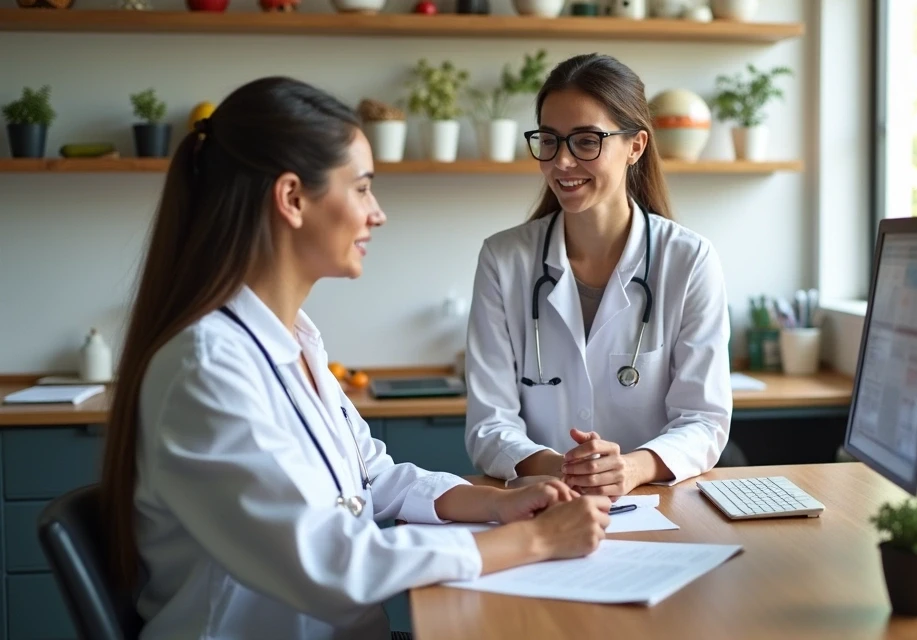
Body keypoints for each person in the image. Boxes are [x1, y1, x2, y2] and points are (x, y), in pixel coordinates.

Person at [98, 76, 612, 640]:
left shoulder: (295, 341)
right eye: (362, 188)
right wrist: (534, 541)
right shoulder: (207, 368)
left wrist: (493, 503)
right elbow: (330, 564)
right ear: (292, 198)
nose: (377, 213)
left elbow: (373, 478)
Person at [463, 53, 733, 498]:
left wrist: (631, 468)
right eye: (549, 140)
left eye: (587, 141)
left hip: (653, 507)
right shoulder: (503, 259)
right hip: (545, 505)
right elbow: (489, 424)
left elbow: (704, 420)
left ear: (636, 146)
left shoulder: (689, 260)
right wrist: (569, 468)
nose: (562, 162)